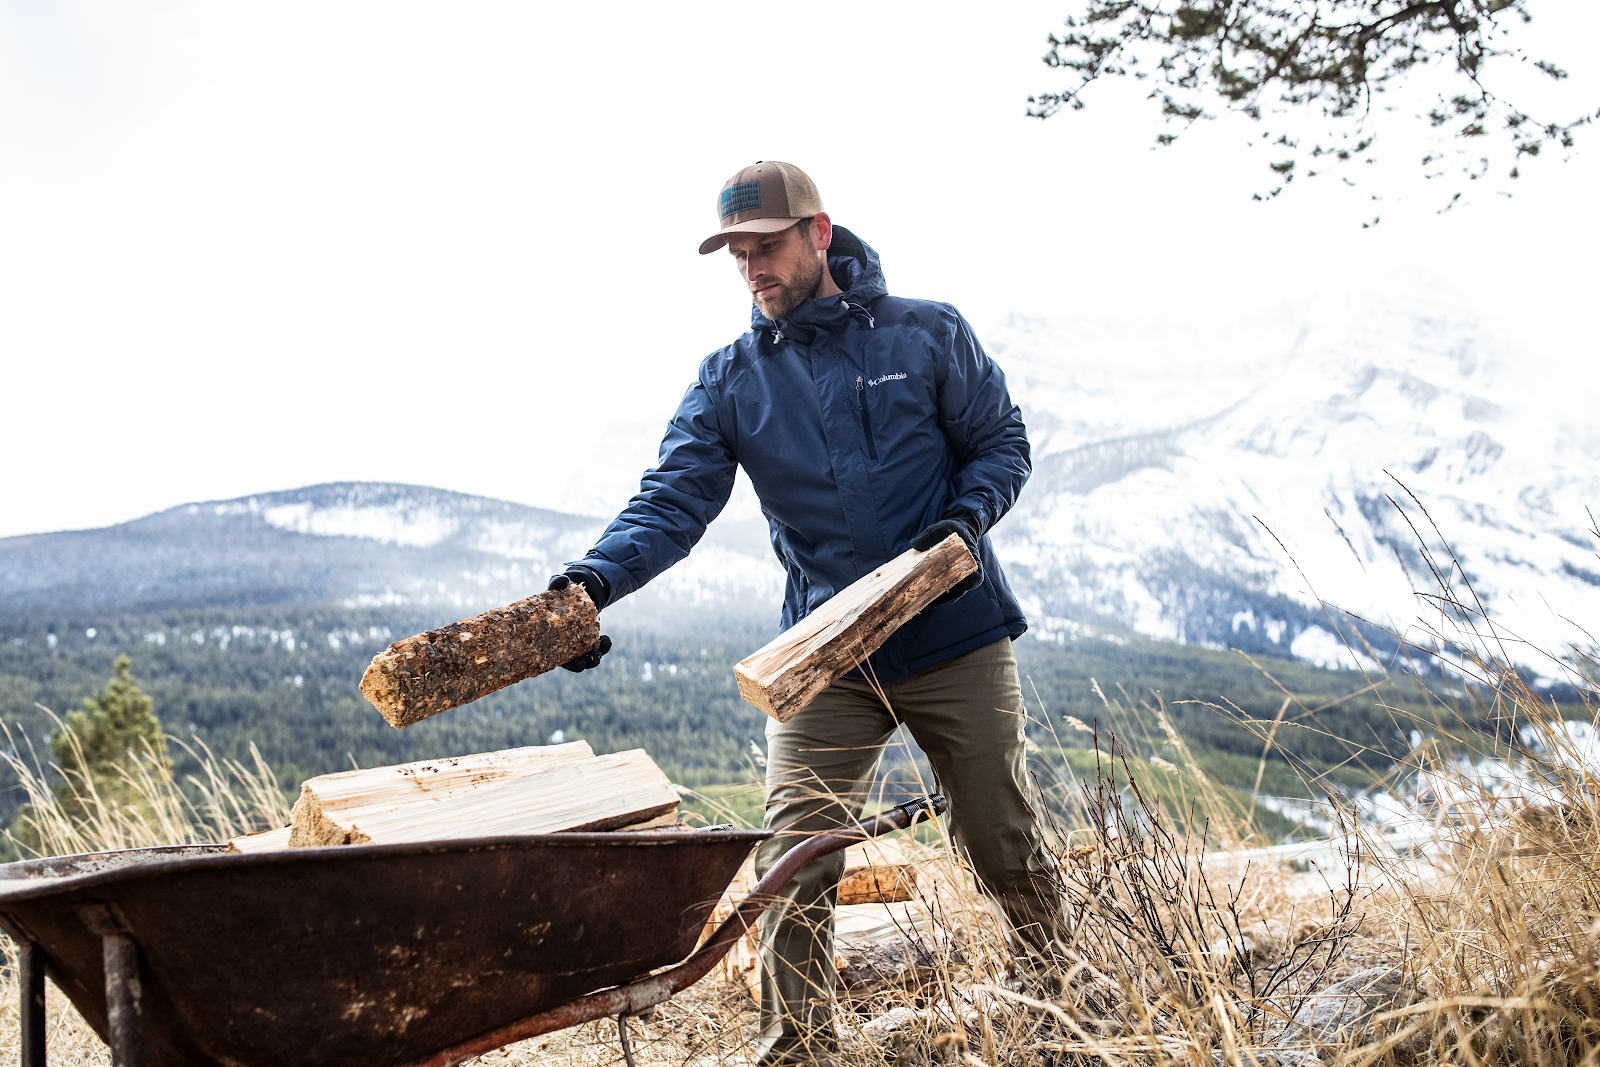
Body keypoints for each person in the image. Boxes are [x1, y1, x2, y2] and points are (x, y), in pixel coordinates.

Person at [548, 161, 1064, 1065]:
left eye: (768, 247)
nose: (753, 268)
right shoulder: (731, 379)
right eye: (737, 254)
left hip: (953, 633)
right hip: (825, 654)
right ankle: (798, 1045)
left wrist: (967, 517)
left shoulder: (928, 333)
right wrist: (591, 587)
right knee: (795, 850)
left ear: (819, 235)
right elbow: (672, 501)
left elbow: (1001, 442)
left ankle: (1062, 999)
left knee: (998, 833)